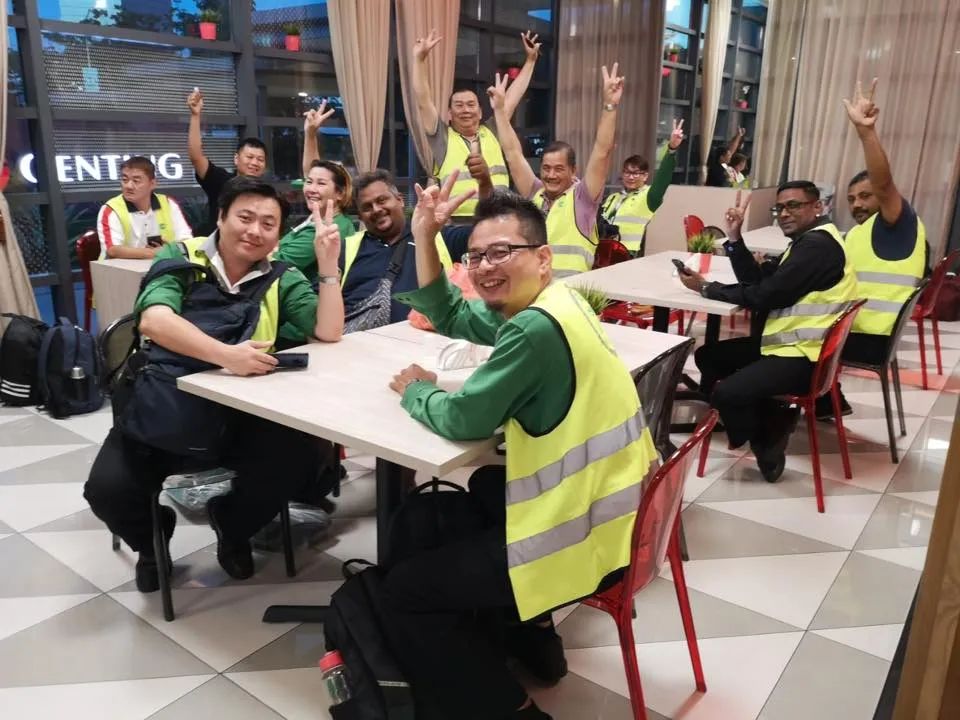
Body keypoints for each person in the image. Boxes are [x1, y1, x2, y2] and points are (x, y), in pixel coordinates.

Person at [382, 183, 659, 720]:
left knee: (405, 592)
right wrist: (425, 235)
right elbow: (457, 317)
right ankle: (532, 639)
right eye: (477, 256)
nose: (486, 266)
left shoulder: (534, 329)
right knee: (484, 485)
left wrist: (417, 390)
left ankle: (509, 706)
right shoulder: (560, 301)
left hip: (579, 539)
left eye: (502, 252)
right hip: (618, 518)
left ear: (543, 257)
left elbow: (464, 419)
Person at [84, 177, 344, 591]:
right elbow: (154, 320)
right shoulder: (180, 256)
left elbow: (328, 331)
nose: (255, 231)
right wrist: (228, 356)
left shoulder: (282, 275)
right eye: (245, 217)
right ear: (220, 217)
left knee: (298, 461)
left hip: (241, 416)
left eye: (268, 224)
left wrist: (328, 266)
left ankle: (234, 525)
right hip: (165, 408)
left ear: (278, 235)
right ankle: (152, 541)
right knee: (106, 491)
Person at [679, 183, 858, 481]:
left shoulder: (817, 247)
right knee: (709, 356)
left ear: (818, 207)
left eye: (794, 205)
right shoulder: (806, 242)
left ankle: (768, 436)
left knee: (725, 394)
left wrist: (708, 288)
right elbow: (758, 281)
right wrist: (734, 239)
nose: (784, 213)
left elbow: (764, 296)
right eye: (780, 208)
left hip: (805, 358)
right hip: (787, 345)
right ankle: (765, 409)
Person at [815, 79, 928, 420]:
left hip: (869, 336)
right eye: (851, 199)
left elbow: (884, 182)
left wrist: (865, 132)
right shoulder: (863, 232)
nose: (857, 204)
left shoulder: (896, 225)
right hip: (860, 328)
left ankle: (783, 415)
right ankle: (826, 400)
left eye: (866, 196)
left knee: (782, 336)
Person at [489, 63, 625, 276]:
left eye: (559, 169)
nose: (551, 175)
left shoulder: (582, 197)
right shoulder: (536, 193)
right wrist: (499, 111)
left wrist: (610, 105)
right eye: (546, 168)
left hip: (570, 291)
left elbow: (602, 151)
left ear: (573, 171)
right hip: (535, 290)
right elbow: (513, 154)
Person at [412, 29, 540, 218]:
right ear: (449, 114)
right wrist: (419, 60)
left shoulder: (493, 130)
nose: (465, 110)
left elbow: (513, 97)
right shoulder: (442, 138)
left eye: (471, 105)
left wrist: (530, 61)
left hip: (498, 216)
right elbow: (423, 100)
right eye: (459, 105)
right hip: (457, 222)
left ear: (480, 112)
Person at [339, 168, 487, 330]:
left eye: (382, 200)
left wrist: (486, 187)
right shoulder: (346, 249)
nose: (376, 209)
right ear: (360, 216)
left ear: (400, 200)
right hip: (356, 340)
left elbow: (490, 235)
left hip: (426, 339)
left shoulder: (438, 236)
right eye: (367, 207)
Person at [187, 87, 268, 234]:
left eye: (260, 159)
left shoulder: (266, 193)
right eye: (249, 157)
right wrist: (195, 115)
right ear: (236, 159)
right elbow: (196, 157)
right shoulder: (221, 180)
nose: (254, 163)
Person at [599, 120, 686, 254]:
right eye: (627, 172)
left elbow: (662, 179)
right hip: (602, 252)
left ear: (645, 176)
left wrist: (671, 150)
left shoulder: (648, 197)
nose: (631, 177)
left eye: (635, 173)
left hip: (627, 253)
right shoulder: (613, 197)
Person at [97, 156, 193, 259]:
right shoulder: (111, 209)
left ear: (152, 184)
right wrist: (157, 253)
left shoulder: (168, 203)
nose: (129, 186)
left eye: (136, 181)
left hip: (164, 265)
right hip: (120, 268)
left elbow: (187, 241)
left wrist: (169, 249)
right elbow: (113, 250)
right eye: (125, 180)